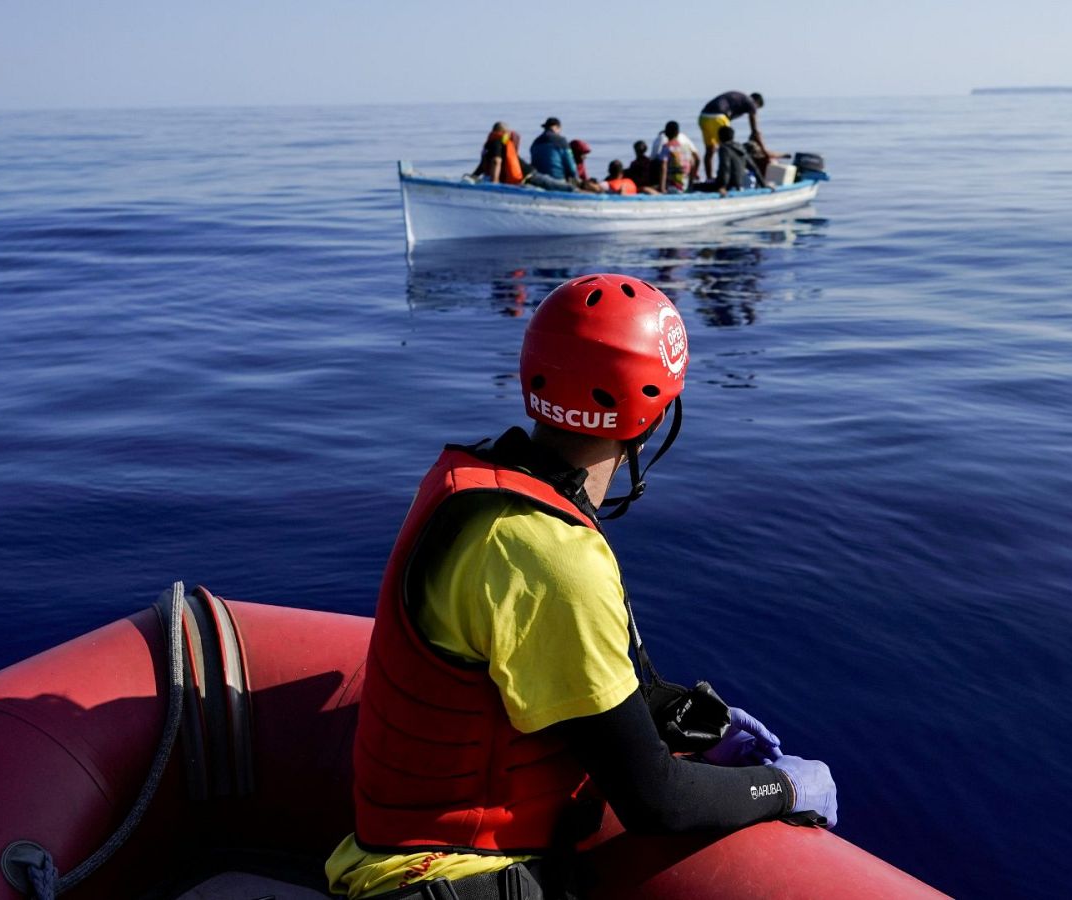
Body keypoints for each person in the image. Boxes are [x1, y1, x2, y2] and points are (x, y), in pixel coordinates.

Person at [325, 275, 838, 899]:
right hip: (453, 879)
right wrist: (785, 787)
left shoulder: (468, 488)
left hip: (385, 855)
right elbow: (658, 803)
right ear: (649, 419)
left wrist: (691, 719)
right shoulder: (556, 558)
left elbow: (568, 678)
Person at [698, 91, 769, 181]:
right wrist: (765, 152)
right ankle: (726, 180)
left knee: (710, 150)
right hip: (718, 117)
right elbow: (755, 131)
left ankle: (709, 178)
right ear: (757, 103)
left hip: (703, 117)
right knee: (729, 149)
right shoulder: (751, 103)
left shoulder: (740, 100)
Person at [525, 117, 580, 192]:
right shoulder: (561, 141)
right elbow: (571, 167)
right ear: (557, 127)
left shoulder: (535, 142)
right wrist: (577, 179)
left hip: (538, 181)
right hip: (557, 181)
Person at [709, 124, 766, 195]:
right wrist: (764, 185)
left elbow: (725, 168)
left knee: (697, 186)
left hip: (728, 187)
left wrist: (722, 186)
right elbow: (754, 168)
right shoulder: (741, 148)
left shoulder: (724, 148)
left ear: (719, 137)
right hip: (738, 185)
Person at [650, 120, 700, 193]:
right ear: (677, 133)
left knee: (644, 189)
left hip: (673, 187)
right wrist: (690, 185)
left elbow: (663, 167)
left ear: (666, 133)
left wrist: (662, 188)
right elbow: (693, 162)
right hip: (685, 186)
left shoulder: (667, 147)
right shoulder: (686, 147)